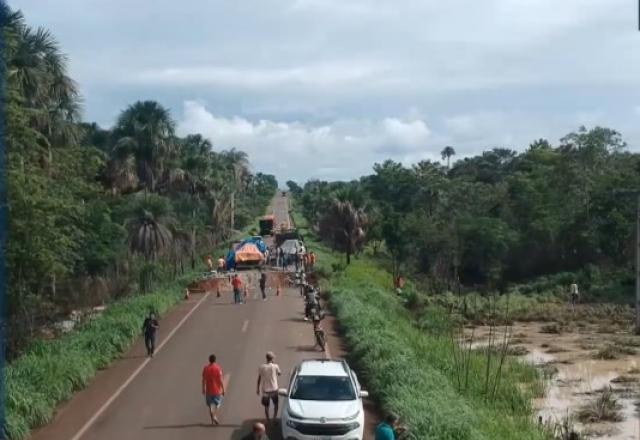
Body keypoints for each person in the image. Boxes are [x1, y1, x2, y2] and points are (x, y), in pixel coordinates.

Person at [257, 351, 281, 420]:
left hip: (265, 390)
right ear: (272, 358)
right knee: (276, 405)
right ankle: (274, 418)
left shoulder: (262, 367)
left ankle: (268, 420)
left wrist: (258, 389)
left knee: (266, 406)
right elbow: (279, 373)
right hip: (274, 389)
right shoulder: (275, 366)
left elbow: (259, 379)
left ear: (266, 358)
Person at [202, 354, 225, 425]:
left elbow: (203, 380)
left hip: (208, 390)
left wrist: (203, 388)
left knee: (210, 405)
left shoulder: (205, 368)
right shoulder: (218, 368)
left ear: (209, 360)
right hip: (216, 390)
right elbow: (220, 380)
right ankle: (214, 416)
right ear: (215, 360)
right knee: (217, 404)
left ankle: (212, 420)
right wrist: (223, 389)